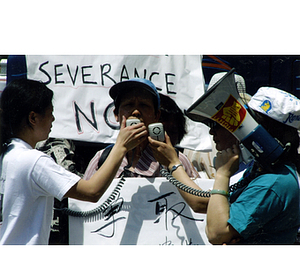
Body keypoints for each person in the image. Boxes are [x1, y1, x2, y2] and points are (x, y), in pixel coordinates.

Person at [0, 78, 148, 245]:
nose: (53, 120)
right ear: (33, 118)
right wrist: (121, 146)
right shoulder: (33, 161)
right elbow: (92, 191)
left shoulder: (7, 154)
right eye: (50, 113)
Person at [149, 87, 300, 244]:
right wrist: (172, 163)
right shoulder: (262, 171)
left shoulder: (272, 183)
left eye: (217, 124)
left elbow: (216, 233)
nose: (211, 132)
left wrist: (222, 173)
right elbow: (204, 202)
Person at [84, 78, 199, 180]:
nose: (136, 112)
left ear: (156, 115)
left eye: (144, 105)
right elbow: (84, 202)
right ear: (116, 115)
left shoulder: (177, 160)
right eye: (129, 105)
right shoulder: (101, 159)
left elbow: (199, 200)